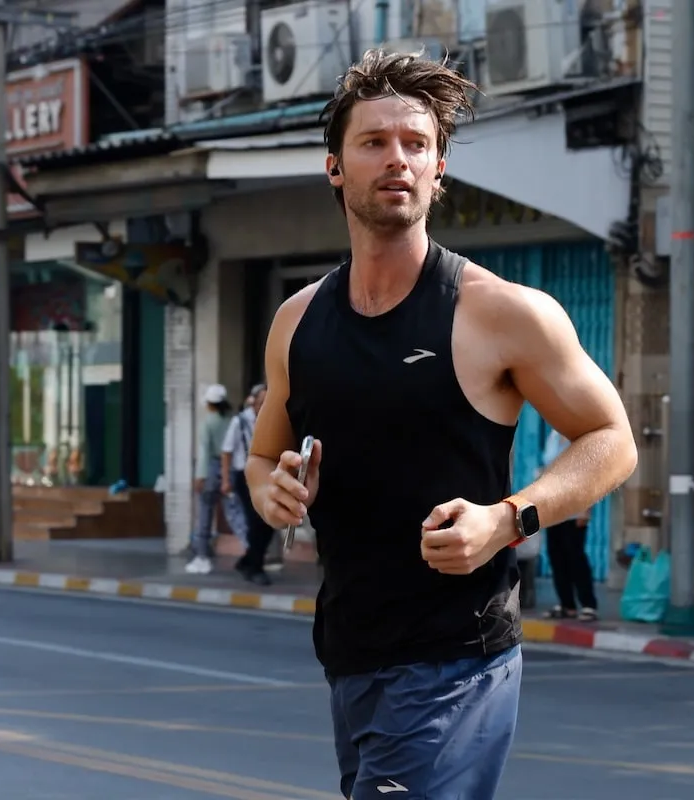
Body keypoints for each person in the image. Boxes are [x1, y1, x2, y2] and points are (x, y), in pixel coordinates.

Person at [244, 49, 638, 800]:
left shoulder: (500, 313)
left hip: (457, 659)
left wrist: (507, 519)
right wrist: (274, 492)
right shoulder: (297, 322)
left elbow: (611, 440)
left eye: (416, 145)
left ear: (438, 170)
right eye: (375, 142)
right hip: (350, 650)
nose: (398, 159)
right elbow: (263, 459)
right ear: (335, 167)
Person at [540, 428, 600, 621]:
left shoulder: (580, 436)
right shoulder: (552, 436)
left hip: (575, 508)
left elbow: (591, 476)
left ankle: (588, 604)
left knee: (575, 556)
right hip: (553, 508)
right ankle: (567, 605)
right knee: (556, 556)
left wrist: (586, 509)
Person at [187, 383, 245, 575]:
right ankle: (253, 549)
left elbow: (204, 451)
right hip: (231, 469)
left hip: (212, 469)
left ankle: (202, 557)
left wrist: (200, 476)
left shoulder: (208, 423)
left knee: (205, 513)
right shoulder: (232, 419)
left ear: (209, 404)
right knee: (235, 512)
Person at [223, 383, 275, 585]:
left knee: (270, 522)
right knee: (256, 522)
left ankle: (247, 561)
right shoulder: (240, 422)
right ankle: (255, 567)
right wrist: (226, 479)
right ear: (253, 402)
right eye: (262, 402)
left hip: (266, 475)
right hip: (243, 476)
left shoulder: (272, 421)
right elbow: (226, 451)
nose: (265, 406)